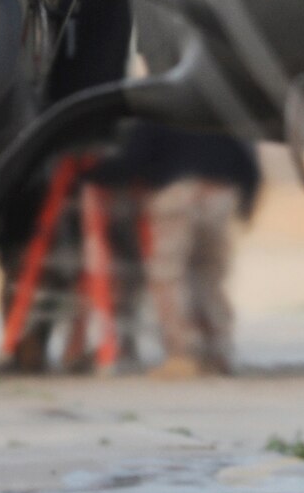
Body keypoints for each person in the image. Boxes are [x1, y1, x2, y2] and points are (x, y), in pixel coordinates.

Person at [109, 123, 261, 379]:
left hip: (176, 193)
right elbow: (247, 156)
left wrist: (97, 174)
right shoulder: (217, 107)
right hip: (220, 194)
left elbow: (135, 157)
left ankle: (183, 354)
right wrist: (248, 201)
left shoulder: (158, 111)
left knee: (168, 276)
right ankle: (218, 351)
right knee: (209, 276)